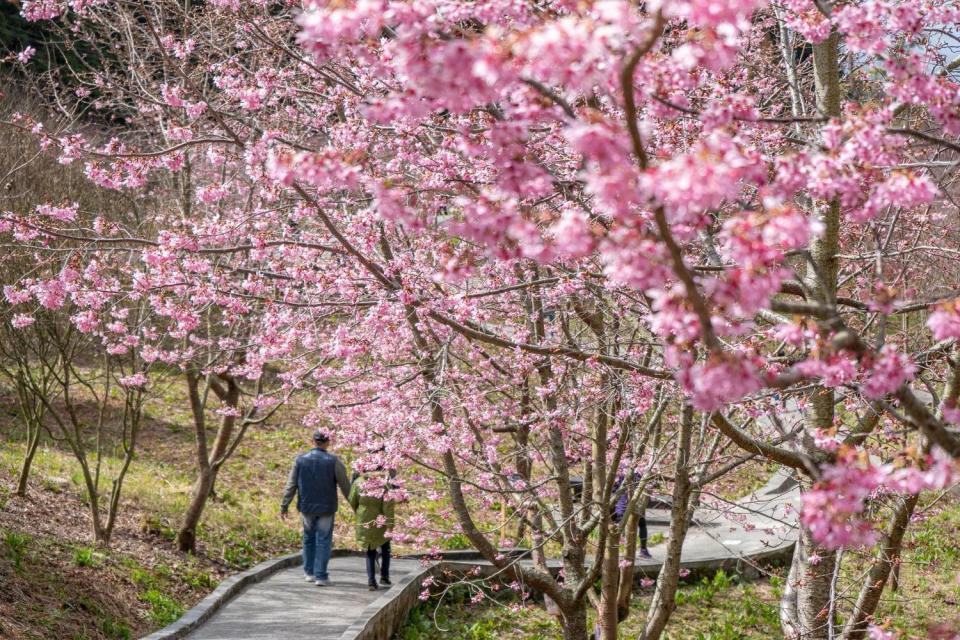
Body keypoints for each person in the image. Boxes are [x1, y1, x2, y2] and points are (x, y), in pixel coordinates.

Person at [280, 429, 351, 587]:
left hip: (306, 506)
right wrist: (356, 505)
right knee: (323, 540)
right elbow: (345, 485)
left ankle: (309, 572)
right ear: (327, 442)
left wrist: (284, 505)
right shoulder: (333, 461)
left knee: (308, 538)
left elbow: (291, 485)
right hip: (326, 507)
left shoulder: (300, 460)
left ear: (313, 441)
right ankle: (321, 576)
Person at [348, 468, 395, 591]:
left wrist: (359, 512)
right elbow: (388, 506)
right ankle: (384, 576)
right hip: (380, 519)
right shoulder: (384, 483)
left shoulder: (358, 481)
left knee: (370, 550)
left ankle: (371, 582)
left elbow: (352, 500)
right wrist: (390, 524)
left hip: (364, 518)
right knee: (385, 547)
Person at [612, 475, 652, 560]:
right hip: (635, 507)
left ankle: (616, 550)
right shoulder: (642, 474)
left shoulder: (621, 472)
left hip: (622, 507)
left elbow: (614, 490)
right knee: (642, 525)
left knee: (619, 528)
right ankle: (643, 549)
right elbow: (647, 491)